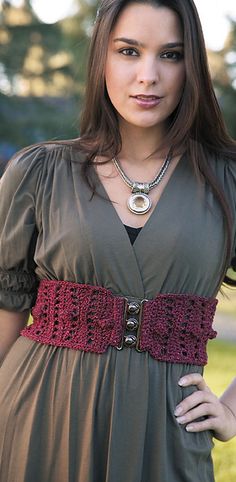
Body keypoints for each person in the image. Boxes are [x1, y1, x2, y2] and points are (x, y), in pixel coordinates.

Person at [0, 0, 236, 481]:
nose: (148, 75)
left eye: (171, 55)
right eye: (129, 51)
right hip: (35, 418)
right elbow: (7, 307)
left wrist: (233, 409)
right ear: (101, 60)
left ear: (192, 65)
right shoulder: (38, 172)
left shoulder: (227, 182)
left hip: (168, 433)